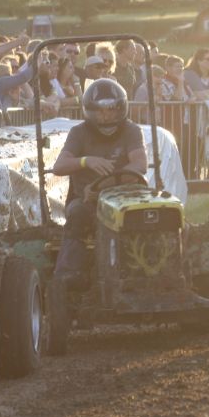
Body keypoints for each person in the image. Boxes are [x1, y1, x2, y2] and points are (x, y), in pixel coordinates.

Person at [51, 79, 147, 286]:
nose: (106, 116)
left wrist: (109, 184)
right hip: (87, 200)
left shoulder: (131, 130)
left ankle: (158, 267)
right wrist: (86, 161)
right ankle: (68, 275)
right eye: (100, 111)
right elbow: (59, 166)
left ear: (121, 109)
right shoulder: (79, 133)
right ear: (90, 111)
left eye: (112, 110)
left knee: (151, 215)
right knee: (77, 214)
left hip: (126, 197)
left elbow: (140, 164)